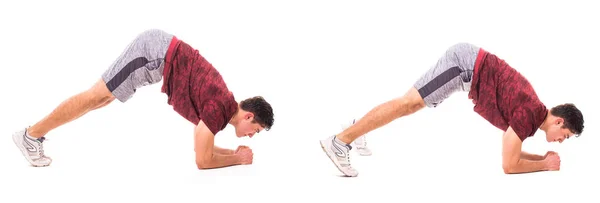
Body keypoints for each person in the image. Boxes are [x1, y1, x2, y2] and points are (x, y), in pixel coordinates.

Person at [12, 29, 275, 169]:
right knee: (96, 96)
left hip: (157, 58)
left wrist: (233, 153)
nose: (252, 135)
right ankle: (31, 135)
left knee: (102, 100)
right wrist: (238, 159)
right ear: (249, 116)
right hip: (156, 53)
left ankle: (33, 136)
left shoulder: (222, 108)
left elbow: (204, 149)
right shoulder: (219, 108)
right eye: (257, 130)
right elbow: (203, 160)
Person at [319, 43, 584, 177]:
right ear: (559, 122)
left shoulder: (533, 115)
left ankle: (357, 129)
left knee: (408, 104)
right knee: (408, 104)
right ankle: (340, 142)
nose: (562, 141)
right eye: (566, 135)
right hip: (465, 66)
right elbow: (509, 165)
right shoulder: (530, 113)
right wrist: (545, 165)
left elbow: (511, 151)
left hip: (467, 67)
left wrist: (541, 160)